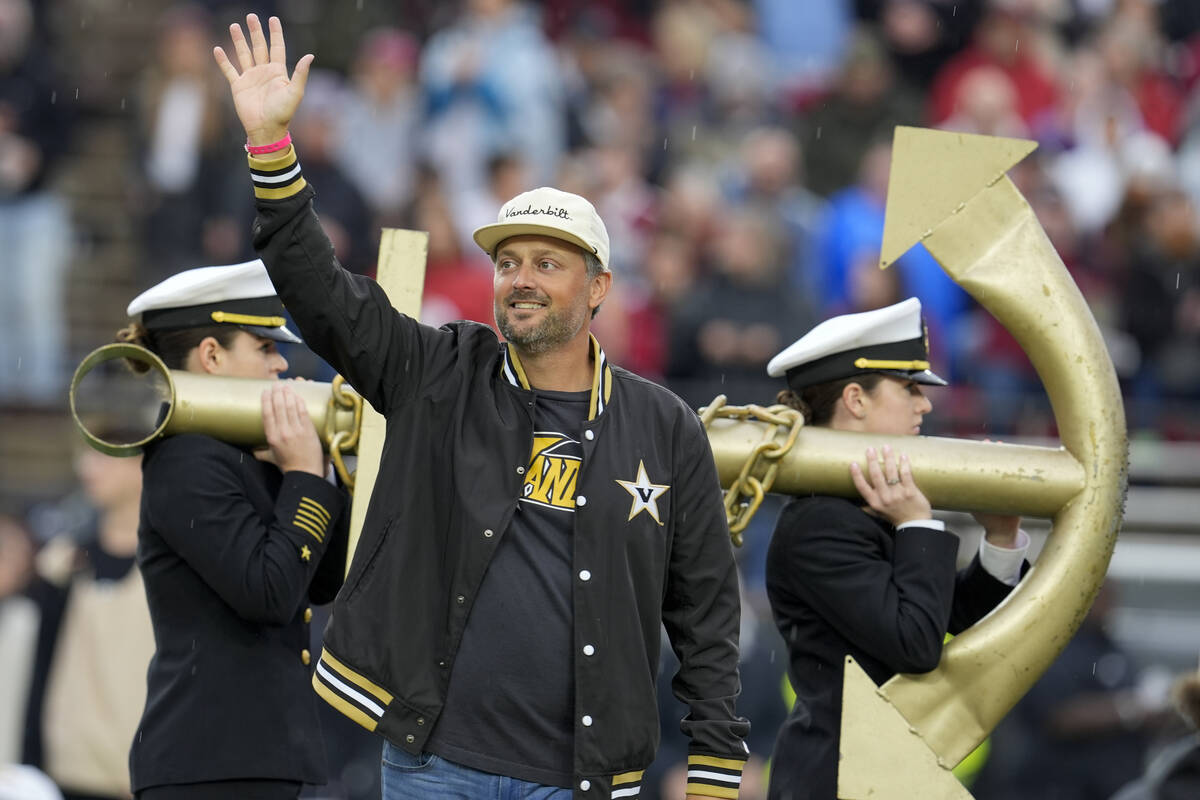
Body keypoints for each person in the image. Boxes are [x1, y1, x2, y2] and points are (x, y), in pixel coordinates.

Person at [213, 15, 748, 799]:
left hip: (579, 781)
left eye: (546, 262)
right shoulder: (442, 367)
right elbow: (320, 295)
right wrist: (270, 148)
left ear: (599, 287)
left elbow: (705, 614)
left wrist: (714, 766)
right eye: (506, 261)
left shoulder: (664, 424)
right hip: (433, 765)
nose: (520, 277)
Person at [762, 297, 1031, 800]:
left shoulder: (862, 510)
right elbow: (915, 646)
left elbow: (954, 619)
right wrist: (918, 525)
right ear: (856, 400)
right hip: (840, 783)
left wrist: (1000, 536)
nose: (925, 404)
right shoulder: (820, 523)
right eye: (909, 388)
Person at [118, 260, 349, 799]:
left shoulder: (245, 457)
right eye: (265, 348)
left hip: (257, 757)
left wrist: (324, 472)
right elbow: (268, 592)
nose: (280, 365)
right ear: (212, 356)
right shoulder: (186, 459)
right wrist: (302, 474)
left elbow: (320, 582)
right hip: (210, 762)